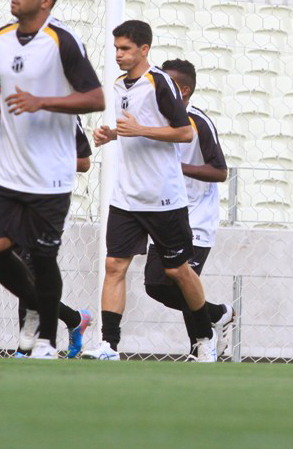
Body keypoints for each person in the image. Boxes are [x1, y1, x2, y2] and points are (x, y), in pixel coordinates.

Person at [0, 0, 105, 359]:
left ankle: (47, 339)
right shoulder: (0, 38)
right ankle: (37, 304)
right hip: (8, 171)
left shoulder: (62, 41)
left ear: (45, 0)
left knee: (44, 257)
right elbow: (2, 82)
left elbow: (96, 97)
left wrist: (41, 101)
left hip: (50, 175)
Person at [85, 20, 219, 362]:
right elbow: (135, 130)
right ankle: (109, 345)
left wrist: (139, 129)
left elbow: (183, 133)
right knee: (114, 265)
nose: (119, 54)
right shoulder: (117, 86)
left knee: (177, 271)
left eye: (126, 48)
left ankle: (205, 334)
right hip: (126, 196)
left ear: (144, 49)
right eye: (116, 48)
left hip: (163, 197)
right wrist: (112, 134)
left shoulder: (159, 82)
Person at [143, 58, 235, 360]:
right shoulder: (153, 121)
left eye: (166, 84)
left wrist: (179, 166)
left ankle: (201, 343)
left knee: (184, 280)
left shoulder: (199, 122)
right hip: (163, 215)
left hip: (196, 218)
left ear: (183, 90)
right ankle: (218, 314)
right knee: (155, 285)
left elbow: (220, 171)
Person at [13, 117, 94, 359]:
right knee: (21, 273)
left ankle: (27, 348)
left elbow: (83, 162)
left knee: (30, 268)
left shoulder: (65, 112)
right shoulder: (13, 105)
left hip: (51, 201)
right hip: (16, 200)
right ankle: (73, 319)